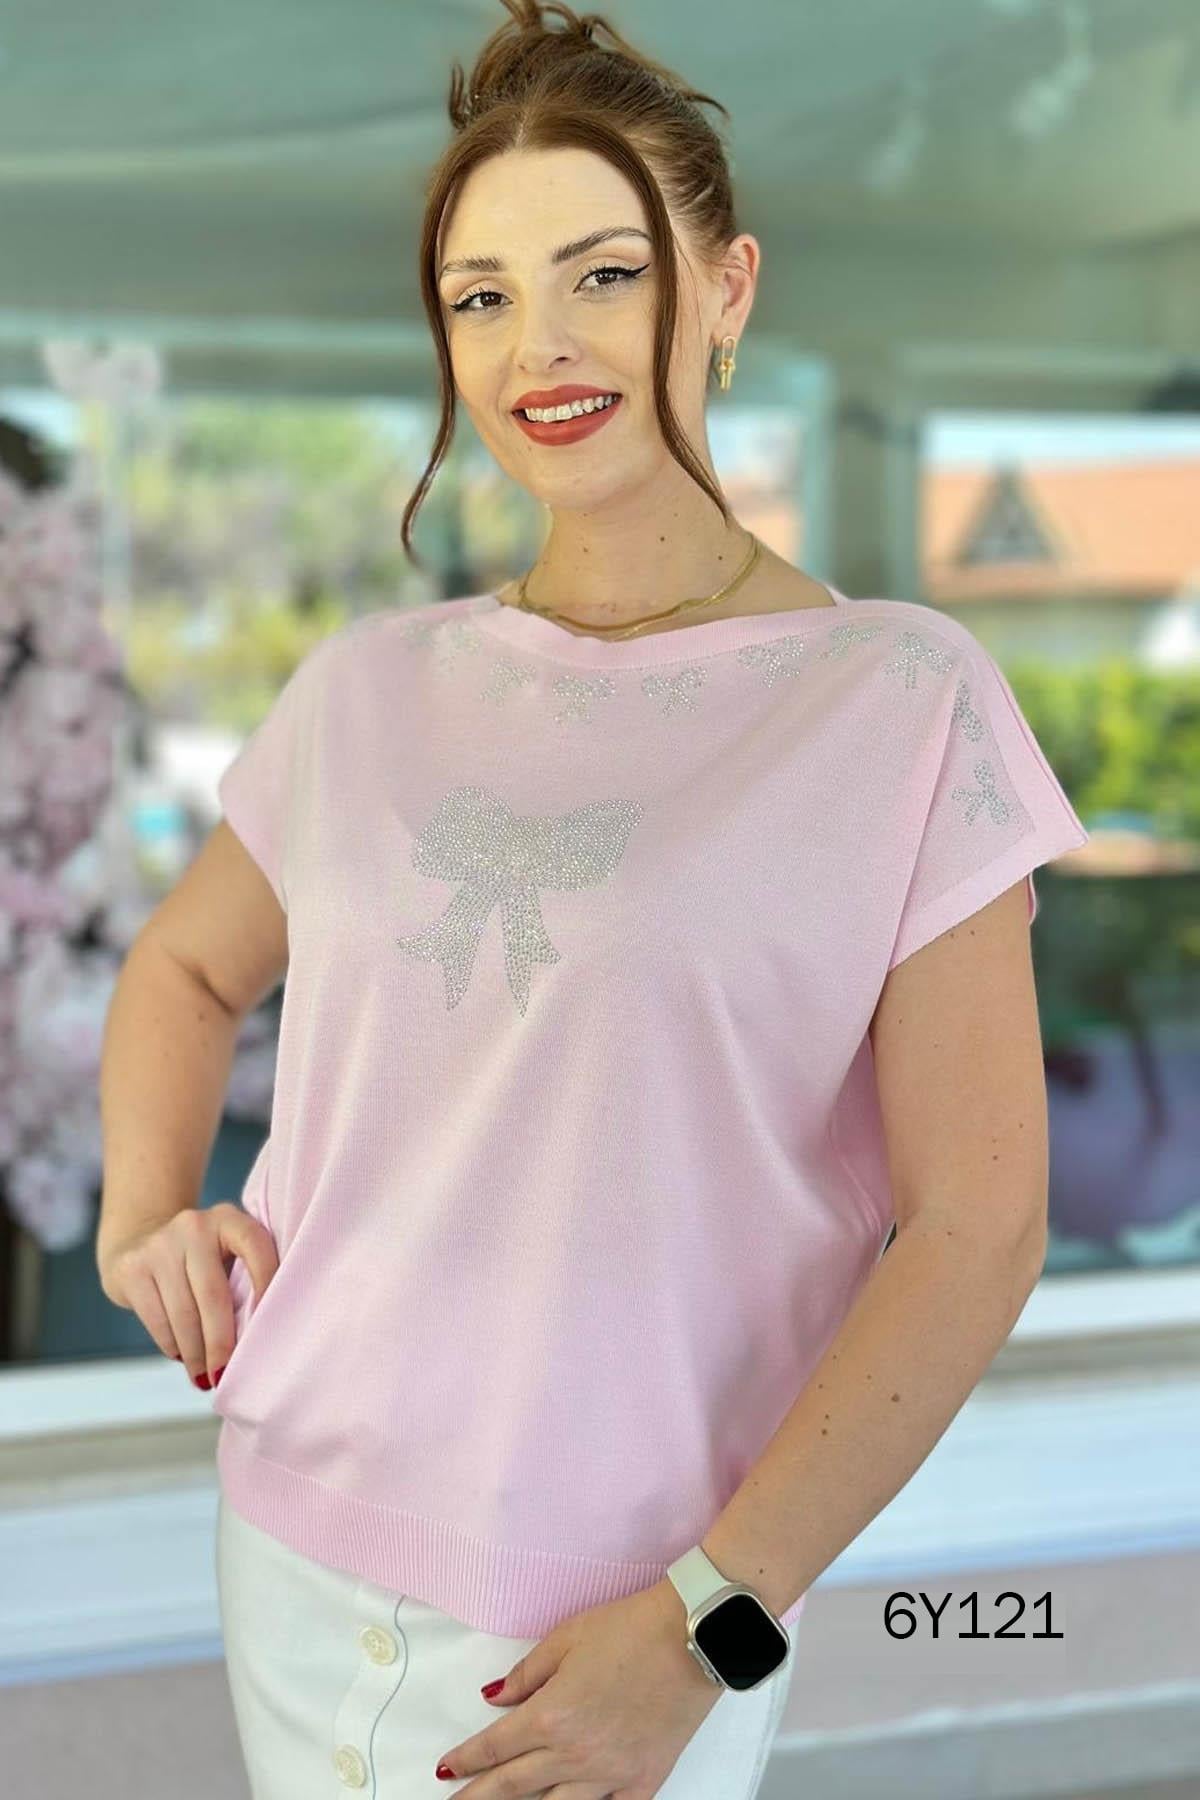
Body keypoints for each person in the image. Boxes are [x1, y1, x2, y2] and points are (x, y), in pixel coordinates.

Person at [96, 3, 1090, 1795]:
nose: (536, 348)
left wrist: (717, 1619)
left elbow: (979, 1229)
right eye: (479, 297)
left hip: (627, 1626)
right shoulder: (368, 691)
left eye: (602, 276)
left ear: (726, 288)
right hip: (294, 1541)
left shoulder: (898, 703)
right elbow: (180, 969)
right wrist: (144, 1211)